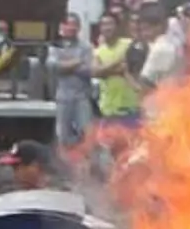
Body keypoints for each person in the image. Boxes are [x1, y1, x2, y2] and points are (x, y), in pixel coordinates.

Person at [46, 13, 95, 148]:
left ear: (79, 27)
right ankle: (64, 165)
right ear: (62, 27)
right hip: (63, 97)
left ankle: (86, 164)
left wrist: (66, 65)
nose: (71, 27)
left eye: (74, 24)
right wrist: (77, 62)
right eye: (67, 24)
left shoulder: (86, 46)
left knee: (87, 133)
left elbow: (87, 69)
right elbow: (53, 66)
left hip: (82, 97)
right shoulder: (55, 46)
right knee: (62, 135)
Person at [92, 13, 141, 125]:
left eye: (110, 24)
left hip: (129, 107)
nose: (107, 27)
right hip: (108, 108)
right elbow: (95, 72)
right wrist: (118, 63)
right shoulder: (98, 51)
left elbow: (131, 68)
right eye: (103, 24)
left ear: (118, 26)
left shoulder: (129, 44)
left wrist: (105, 71)